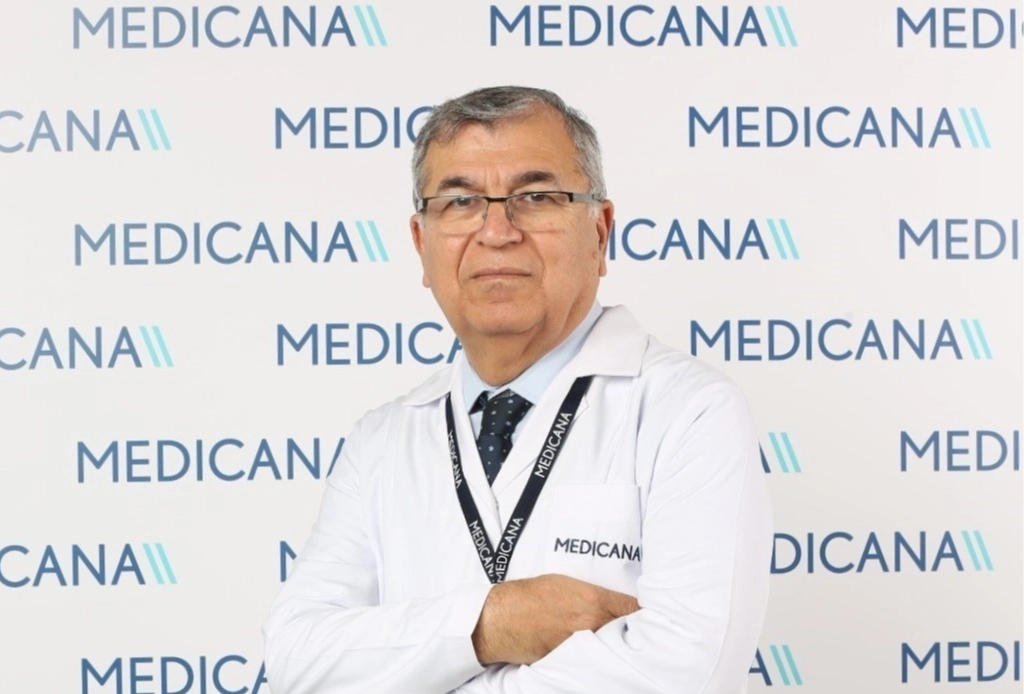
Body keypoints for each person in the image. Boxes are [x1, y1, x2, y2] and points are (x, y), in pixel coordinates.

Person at [263, 86, 773, 694]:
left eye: (536, 197)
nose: (497, 231)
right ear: (422, 244)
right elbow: (297, 661)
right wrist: (492, 624)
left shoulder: (690, 412)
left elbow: (685, 674)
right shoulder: (381, 439)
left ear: (600, 232)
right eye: (460, 201)